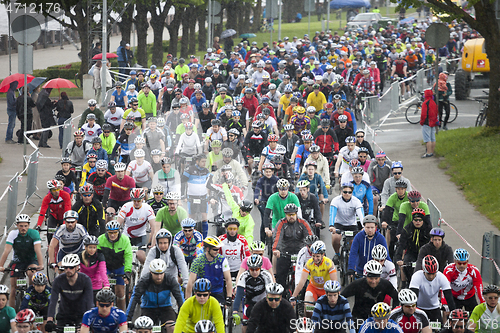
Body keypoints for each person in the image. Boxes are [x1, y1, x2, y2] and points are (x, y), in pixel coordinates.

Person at [127, 259, 184, 333]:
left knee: (172, 327)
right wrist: (128, 319)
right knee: (144, 329)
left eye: (161, 273)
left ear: (164, 272)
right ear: (151, 272)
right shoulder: (143, 281)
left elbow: (179, 297)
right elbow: (134, 299)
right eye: (156, 274)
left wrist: (182, 315)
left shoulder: (170, 280)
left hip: (165, 307)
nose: (159, 277)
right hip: (148, 308)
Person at [0, 214, 44, 308]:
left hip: (31, 260)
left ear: (28, 225)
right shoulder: (13, 234)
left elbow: (37, 250)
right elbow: (7, 251)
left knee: (31, 274)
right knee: (13, 288)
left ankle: (31, 296)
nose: (23, 228)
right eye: (21, 226)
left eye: (25, 226)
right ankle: (12, 313)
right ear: (17, 226)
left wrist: (41, 264)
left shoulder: (34, 233)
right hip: (18, 261)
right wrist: (1, 266)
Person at [45, 254, 94, 332]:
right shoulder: (58, 280)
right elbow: (53, 301)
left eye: (71, 267)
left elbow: (89, 302)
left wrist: (90, 321)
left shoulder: (85, 280)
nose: (68, 270)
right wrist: (50, 320)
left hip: (80, 315)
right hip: (64, 315)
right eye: (66, 267)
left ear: (77, 267)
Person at [273, 203, 313, 290]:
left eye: (293, 214)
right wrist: (276, 249)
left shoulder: (303, 223)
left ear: (296, 214)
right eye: (288, 215)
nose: (291, 216)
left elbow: (310, 237)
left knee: (310, 274)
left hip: (300, 252)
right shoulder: (281, 223)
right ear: (285, 215)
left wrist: (311, 248)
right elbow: (277, 237)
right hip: (285, 252)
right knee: (280, 278)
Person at [291, 241, 337, 316]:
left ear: (323, 254)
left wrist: (336, 297)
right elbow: (302, 282)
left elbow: (334, 283)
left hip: (327, 290)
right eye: (313, 256)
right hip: (313, 288)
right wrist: (294, 296)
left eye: (317, 256)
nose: (315, 259)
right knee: (308, 308)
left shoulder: (329, 263)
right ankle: (310, 325)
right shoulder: (309, 263)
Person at [232, 254, 274, 333]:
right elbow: (239, 295)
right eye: (252, 269)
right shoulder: (244, 276)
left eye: (257, 269)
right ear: (248, 268)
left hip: (264, 302)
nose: (254, 272)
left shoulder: (266, 275)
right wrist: (235, 311)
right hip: (249, 302)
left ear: (261, 267)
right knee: (245, 322)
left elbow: (271, 293)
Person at [97, 221, 133, 311]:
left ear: (119, 231)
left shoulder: (125, 240)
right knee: (102, 290)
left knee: (120, 293)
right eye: (110, 233)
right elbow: (96, 256)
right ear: (107, 232)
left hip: (119, 267)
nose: (112, 235)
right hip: (106, 267)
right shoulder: (101, 239)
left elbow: (128, 256)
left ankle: (121, 314)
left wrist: (127, 271)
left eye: (115, 232)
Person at [409, 255, 456, 324]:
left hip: (434, 308)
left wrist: (454, 316)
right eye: (428, 274)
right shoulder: (416, 276)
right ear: (423, 270)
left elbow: (449, 298)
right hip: (419, 308)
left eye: (433, 274)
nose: (431, 276)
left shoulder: (441, 277)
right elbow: (413, 297)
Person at [117, 188, 158, 264]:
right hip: (126, 235)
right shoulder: (126, 207)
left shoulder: (147, 208)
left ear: (143, 199)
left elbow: (153, 227)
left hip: (141, 236)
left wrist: (153, 243)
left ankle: (146, 271)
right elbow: (118, 224)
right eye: (134, 200)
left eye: (138, 200)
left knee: (140, 256)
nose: (136, 203)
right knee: (121, 256)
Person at [186, 236, 232, 304]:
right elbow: (191, 281)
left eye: (218, 249)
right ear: (208, 248)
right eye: (215, 249)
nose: (217, 251)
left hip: (217, 292)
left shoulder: (222, 260)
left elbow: (228, 279)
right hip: (202, 292)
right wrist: (187, 300)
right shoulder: (197, 261)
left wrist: (229, 296)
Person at [141, 229, 189, 293]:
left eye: (165, 243)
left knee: (174, 300)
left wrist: (186, 282)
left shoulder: (176, 251)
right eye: (160, 243)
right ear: (157, 243)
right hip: (157, 280)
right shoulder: (153, 251)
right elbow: (146, 266)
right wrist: (141, 282)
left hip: (172, 280)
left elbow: (183, 266)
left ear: (169, 243)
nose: (163, 246)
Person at [395, 208, 431, 287]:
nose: (417, 222)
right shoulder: (406, 229)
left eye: (420, 220)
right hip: (411, 252)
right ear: (412, 220)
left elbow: (432, 245)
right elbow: (401, 245)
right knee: (405, 265)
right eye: (415, 220)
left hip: (425, 253)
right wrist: (398, 259)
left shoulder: (428, 229)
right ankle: (404, 285)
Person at [443, 249, 485, 313]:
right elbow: (445, 287)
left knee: (475, 316)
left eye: (464, 263)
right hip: (454, 297)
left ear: (467, 262)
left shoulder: (474, 271)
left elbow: (479, 288)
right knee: (449, 314)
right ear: (455, 261)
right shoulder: (449, 270)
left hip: (469, 297)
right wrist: (445, 303)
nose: (462, 265)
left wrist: (483, 303)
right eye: (459, 263)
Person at [329, 183, 364, 259]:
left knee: (353, 243)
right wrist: (331, 225)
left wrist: (364, 226)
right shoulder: (336, 200)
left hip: (351, 225)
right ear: (341, 191)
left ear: (352, 192)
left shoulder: (356, 201)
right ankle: (337, 253)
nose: (347, 194)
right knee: (335, 238)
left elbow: (361, 215)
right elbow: (332, 214)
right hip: (339, 224)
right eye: (345, 192)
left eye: (349, 192)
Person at [382, 180, 409, 259]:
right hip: (396, 220)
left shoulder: (408, 197)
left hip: (406, 221)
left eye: (402, 189)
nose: (400, 191)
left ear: (405, 189)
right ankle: (389, 256)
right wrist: (384, 221)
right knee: (391, 236)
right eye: (398, 189)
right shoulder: (393, 197)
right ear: (396, 189)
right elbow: (387, 210)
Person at [420, 89, 439, 158]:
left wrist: (421, 122)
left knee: (427, 139)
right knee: (432, 138)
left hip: (426, 122)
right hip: (433, 122)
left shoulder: (425, 103)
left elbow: (423, 114)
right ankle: (432, 152)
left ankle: (428, 152)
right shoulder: (433, 102)